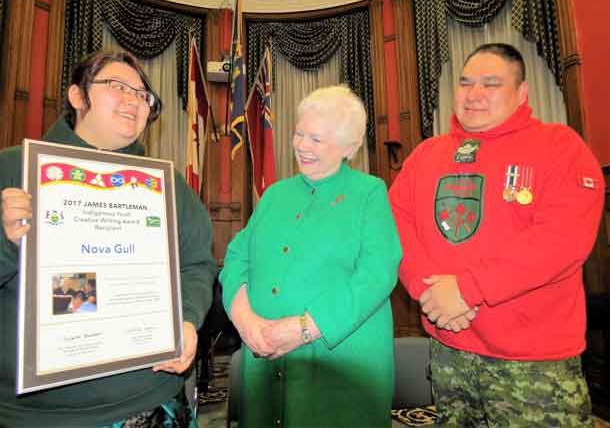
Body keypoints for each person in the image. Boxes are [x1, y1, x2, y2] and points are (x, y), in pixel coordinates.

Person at [389, 43, 604, 427]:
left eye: (491, 84)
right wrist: (428, 292)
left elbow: (561, 241)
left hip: (534, 362)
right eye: (466, 83)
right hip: (449, 350)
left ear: (521, 93)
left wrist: (468, 289)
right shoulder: (426, 155)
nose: (474, 94)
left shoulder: (560, 146)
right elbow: (395, 224)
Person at [0, 51, 217, 427]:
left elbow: (196, 264)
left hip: (154, 400)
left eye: (143, 95)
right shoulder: (12, 169)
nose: (134, 100)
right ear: (77, 96)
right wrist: (7, 242)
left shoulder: (170, 189)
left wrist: (187, 320)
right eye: (117, 86)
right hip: (40, 415)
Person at [220, 85, 402, 427]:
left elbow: (377, 274)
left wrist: (305, 328)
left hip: (337, 368)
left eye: (316, 139)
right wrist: (245, 320)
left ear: (350, 147)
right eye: (299, 133)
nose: (301, 146)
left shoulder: (369, 193)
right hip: (263, 360)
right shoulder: (275, 194)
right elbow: (236, 257)